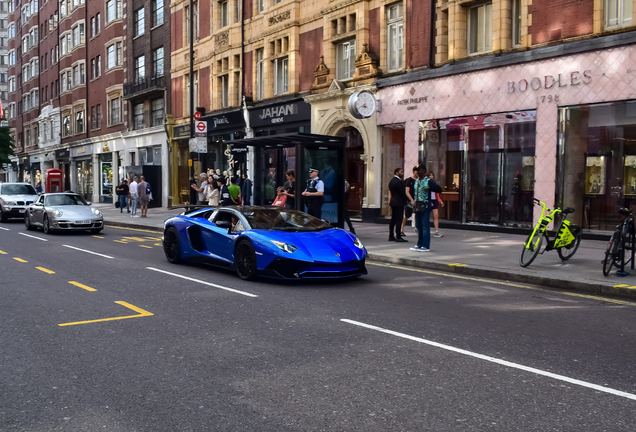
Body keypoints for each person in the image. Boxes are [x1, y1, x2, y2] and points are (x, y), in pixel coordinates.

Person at [410, 165, 442, 252]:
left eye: (419, 170)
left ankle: (426, 246)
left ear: (424, 170)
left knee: (425, 226)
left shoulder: (428, 181)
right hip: (418, 205)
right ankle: (419, 244)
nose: (417, 172)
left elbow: (439, 189)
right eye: (416, 171)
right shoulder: (417, 180)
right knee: (419, 226)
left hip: (425, 205)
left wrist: (429, 188)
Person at [388, 167, 408, 242]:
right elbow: (402, 193)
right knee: (399, 219)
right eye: (401, 172)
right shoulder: (398, 182)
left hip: (393, 202)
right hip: (399, 202)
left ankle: (391, 235)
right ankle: (398, 236)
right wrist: (406, 200)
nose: (402, 173)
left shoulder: (391, 181)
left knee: (393, 219)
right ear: (397, 173)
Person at [427, 171, 445, 238]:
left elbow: (437, 194)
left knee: (436, 215)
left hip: (434, 200)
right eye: (430, 175)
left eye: (432, 175)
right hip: (429, 200)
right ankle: (422, 229)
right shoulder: (427, 183)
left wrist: (440, 200)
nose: (431, 176)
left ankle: (436, 231)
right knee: (426, 215)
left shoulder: (434, 184)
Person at [401, 166, 418, 237]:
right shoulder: (409, 180)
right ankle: (401, 229)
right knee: (407, 215)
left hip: (418, 200)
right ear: (413, 172)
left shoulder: (419, 180)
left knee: (418, 214)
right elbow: (407, 192)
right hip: (410, 201)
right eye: (416, 172)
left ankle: (417, 228)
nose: (418, 173)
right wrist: (411, 200)